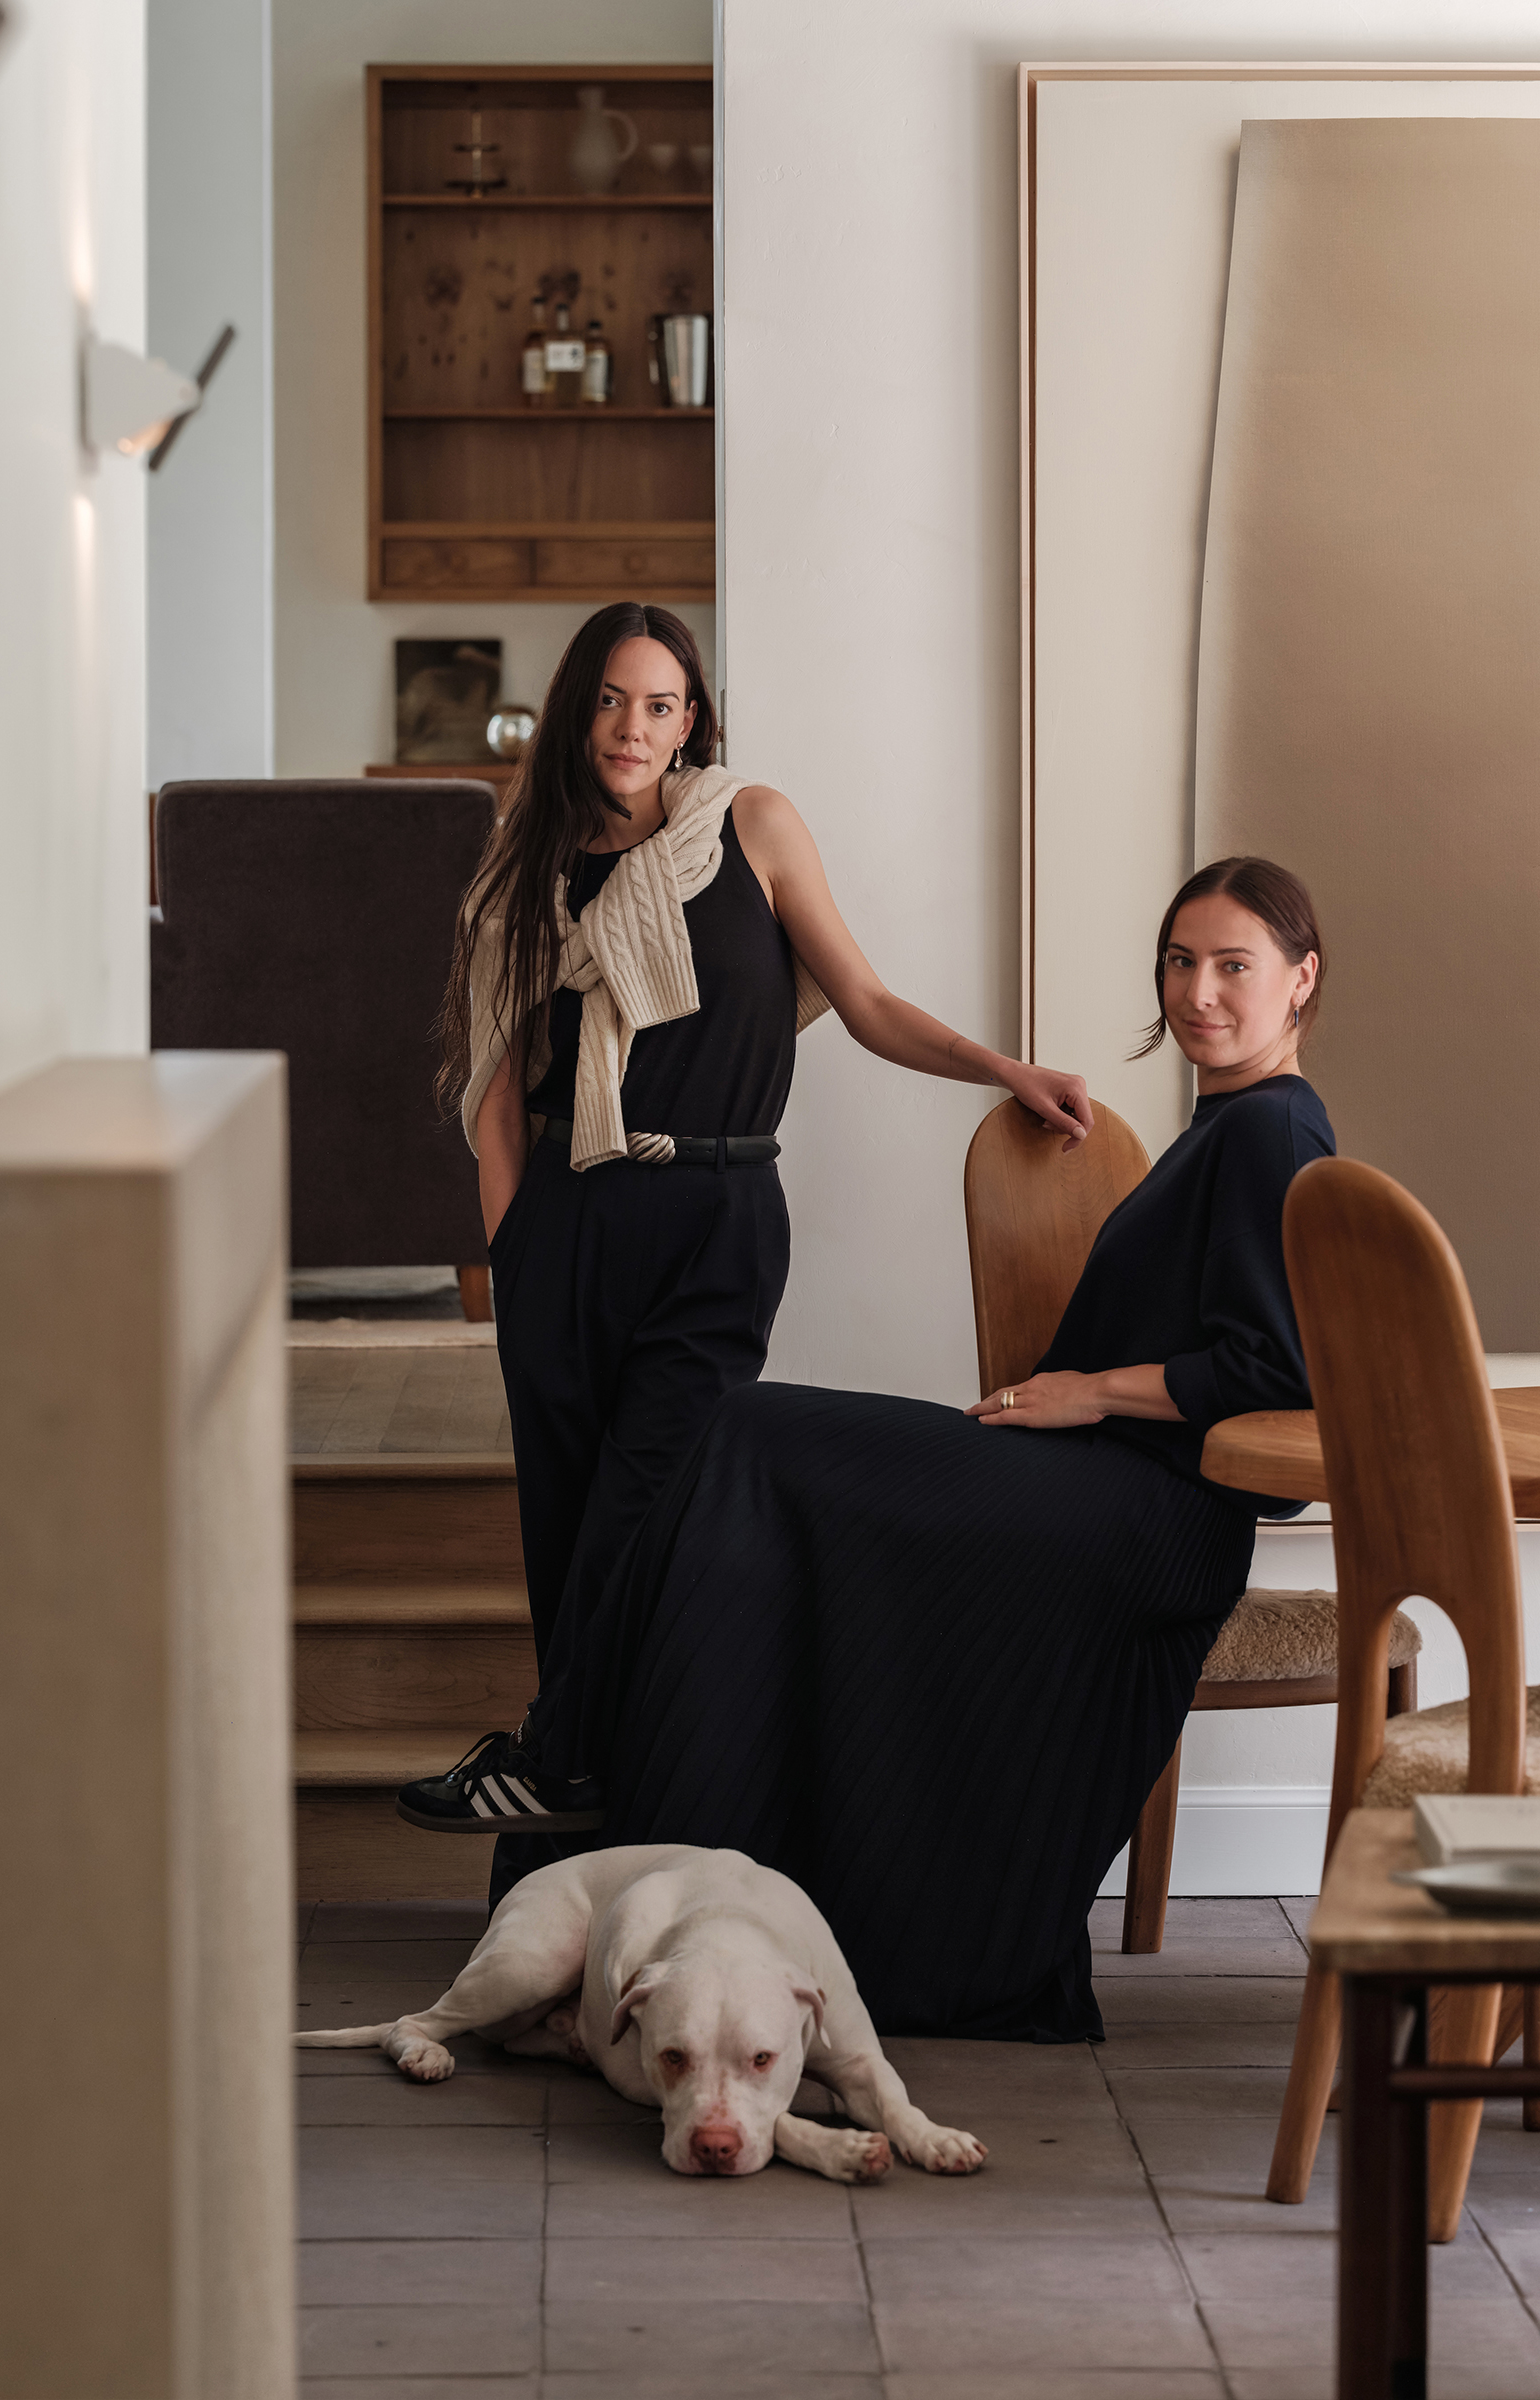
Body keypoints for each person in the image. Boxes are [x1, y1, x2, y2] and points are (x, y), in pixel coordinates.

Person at [409, 854, 1336, 2042]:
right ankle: (627, 1836)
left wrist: (1088, 1392)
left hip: (1134, 1515)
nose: (1197, 991)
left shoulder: (1270, 1130)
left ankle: (580, 1772)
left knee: (741, 1434)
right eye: (1177, 960)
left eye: (1232, 968)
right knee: (751, 1482)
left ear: (1299, 982)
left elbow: (1282, 1369)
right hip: (1087, 1488)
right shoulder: (1228, 1126)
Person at [399, 601, 1090, 1845]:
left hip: (715, 1214)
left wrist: (1005, 1070)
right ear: (577, 710)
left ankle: (555, 1758)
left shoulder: (748, 828)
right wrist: (513, 1255)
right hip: (565, 1221)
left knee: (643, 1501)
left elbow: (865, 1000)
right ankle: (584, 1786)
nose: (633, 727)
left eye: (660, 705)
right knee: (565, 1515)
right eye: (612, 699)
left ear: (692, 721)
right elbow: (497, 1096)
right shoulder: (523, 866)